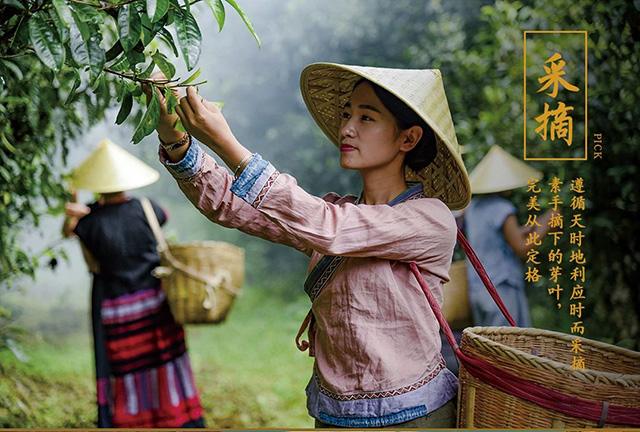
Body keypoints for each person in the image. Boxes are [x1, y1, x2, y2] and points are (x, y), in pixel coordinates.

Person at [143, 63, 471, 428]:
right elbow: (231, 205)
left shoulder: (429, 218)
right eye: (348, 113)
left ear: (408, 139)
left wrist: (226, 143)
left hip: (415, 416)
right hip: (333, 415)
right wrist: (176, 139)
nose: (347, 127)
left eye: (366, 117)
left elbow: (330, 227)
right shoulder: (334, 212)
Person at [62, 139, 205, 428]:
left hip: (117, 311)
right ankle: (177, 417)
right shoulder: (149, 208)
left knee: (127, 370)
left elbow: (69, 231)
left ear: (97, 185)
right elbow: (165, 215)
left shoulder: (89, 223)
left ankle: (132, 420)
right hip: (155, 303)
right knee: (166, 361)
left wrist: (77, 206)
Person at [464, 145, 555, 327]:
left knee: (488, 346)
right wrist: (547, 224)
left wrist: (530, 227)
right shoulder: (503, 208)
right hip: (501, 286)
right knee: (509, 345)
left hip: (478, 287)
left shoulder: (472, 207)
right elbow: (521, 248)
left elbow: (492, 236)